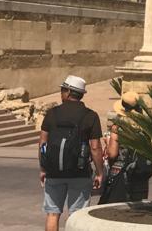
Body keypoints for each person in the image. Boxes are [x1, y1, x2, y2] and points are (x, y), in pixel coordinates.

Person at [40, 76, 104, 231]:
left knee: (52, 214)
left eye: (62, 90)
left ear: (68, 92)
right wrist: (99, 172)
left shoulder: (52, 113)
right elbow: (95, 147)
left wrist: (43, 168)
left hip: (54, 172)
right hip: (80, 173)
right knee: (77, 215)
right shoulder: (90, 116)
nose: (61, 93)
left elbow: (43, 143)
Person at [100, 91, 152, 204]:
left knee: (117, 207)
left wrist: (107, 143)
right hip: (140, 171)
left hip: (121, 173)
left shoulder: (118, 127)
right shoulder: (146, 126)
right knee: (137, 206)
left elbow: (113, 153)